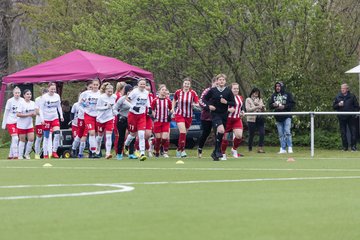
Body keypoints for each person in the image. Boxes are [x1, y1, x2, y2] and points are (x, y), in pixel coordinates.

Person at [203, 74, 236, 161]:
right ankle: (218, 150)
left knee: (221, 133)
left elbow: (233, 103)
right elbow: (204, 99)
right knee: (221, 130)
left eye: (223, 80)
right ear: (217, 81)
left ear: (225, 81)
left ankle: (215, 152)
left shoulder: (228, 91)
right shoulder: (213, 90)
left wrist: (226, 102)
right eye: (220, 80)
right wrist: (209, 106)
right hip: (215, 114)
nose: (221, 81)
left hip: (224, 114)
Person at [172, 77, 199, 158]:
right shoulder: (178, 92)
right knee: (183, 132)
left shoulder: (193, 93)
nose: (186, 85)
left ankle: (182, 149)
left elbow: (197, 102)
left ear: (190, 85)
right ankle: (179, 150)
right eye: (185, 83)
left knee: (185, 133)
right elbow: (174, 100)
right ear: (183, 84)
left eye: (188, 84)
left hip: (189, 115)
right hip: (179, 114)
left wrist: (195, 105)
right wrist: (173, 109)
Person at [123, 78, 150, 161]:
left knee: (141, 134)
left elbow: (146, 100)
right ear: (138, 84)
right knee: (133, 134)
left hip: (141, 115)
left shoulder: (146, 92)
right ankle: (126, 145)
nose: (142, 85)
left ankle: (142, 153)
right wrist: (133, 107)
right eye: (141, 84)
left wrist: (149, 107)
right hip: (133, 115)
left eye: (144, 84)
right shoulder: (134, 92)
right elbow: (125, 101)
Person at [269, 81, 295, 154]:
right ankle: (283, 148)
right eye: (276, 86)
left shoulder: (288, 94)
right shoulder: (273, 95)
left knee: (287, 131)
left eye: (279, 86)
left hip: (287, 116)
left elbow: (292, 104)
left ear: (282, 87)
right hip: (278, 117)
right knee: (281, 134)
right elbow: (270, 105)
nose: (277, 87)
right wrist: (273, 105)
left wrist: (284, 106)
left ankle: (289, 147)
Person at [220, 83, 245, 160]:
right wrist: (228, 110)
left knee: (239, 136)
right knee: (225, 139)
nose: (236, 90)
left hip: (237, 119)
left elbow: (241, 107)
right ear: (231, 89)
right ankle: (223, 154)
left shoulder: (240, 97)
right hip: (227, 120)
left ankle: (234, 149)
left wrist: (242, 111)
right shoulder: (226, 98)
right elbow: (220, 109)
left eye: (237, 88)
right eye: (234, 88)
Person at [39, 83, 64, 158]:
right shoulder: (44, 97)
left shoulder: (57, 96)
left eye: (54, 89)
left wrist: (61, 116)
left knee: (57, 134)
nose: (53, 90)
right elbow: (41, 109)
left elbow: (59, 106)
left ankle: (54, 151)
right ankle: (45, 153)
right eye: (51, 89)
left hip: (54, 117)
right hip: (46, 118)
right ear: (48, 88)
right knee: (46, 136)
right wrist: (42, 119)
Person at [333, 83, 359, 151]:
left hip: (351, 117)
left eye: (343, 88)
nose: (342, 90)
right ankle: (345, 147)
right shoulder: (338, 96)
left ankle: (353, 147)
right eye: (341, 88)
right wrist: (338, 104)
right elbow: (334, 107)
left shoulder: (352, 96)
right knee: (343, 133)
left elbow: (357, 106)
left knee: (353, 132)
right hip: (342, 118)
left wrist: (354, 114)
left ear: (347, 89)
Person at [78, 79, 101, 158]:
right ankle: (93, 151)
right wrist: (84, 110)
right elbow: (80, 104)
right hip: (89, 115)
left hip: (98, 116)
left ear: (99, 85)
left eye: (96, 85)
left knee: (98, 134)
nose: (95, 86)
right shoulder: (86, 94)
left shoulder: (101, 94)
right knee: (92, 133)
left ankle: (97, 150)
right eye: (94, 85)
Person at [113, 84, 136, 160]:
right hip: (122, 119)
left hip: (132, 118)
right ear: (126, 91)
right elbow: (114, 109)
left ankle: (131, 153)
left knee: (132, 135)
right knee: (121, 137)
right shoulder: (122, 99)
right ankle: (119, 153)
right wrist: (119, 115)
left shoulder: (135, 99)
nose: (130, 92)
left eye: (131, 91)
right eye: (129, 91)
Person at [197, 77, 218, 158]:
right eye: (216, 84)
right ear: (212, 83)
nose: (217, 86)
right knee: (206, 133)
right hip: (206, 116)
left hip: (216, 116)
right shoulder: (207, 91)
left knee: (218, 133)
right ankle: (200, 149)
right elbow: (201, 101)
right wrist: (208, 107)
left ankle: (217, 151)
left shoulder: (221, 92)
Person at [96, 82, 116, 159]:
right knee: (100, 136)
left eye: (111, 91)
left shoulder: (114, 97)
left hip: (109, 118)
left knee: (108, 136)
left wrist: (114, 112)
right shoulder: (101, 97)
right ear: (105, 91)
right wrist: (105, 107)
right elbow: (97, 108)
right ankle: (98, 148)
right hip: (101, 119)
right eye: (109, 91)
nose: (110, 93)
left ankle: (108, 153)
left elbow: (114, 106)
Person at [2, 87, 23, 159]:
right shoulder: (10, 101)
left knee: (14, 139)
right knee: (16, 138)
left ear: (20, 93)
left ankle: (10, 155)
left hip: (19, 122)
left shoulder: (22, 100)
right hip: (10, 121)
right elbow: (6, 112)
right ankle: (15, 155)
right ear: (13, 93)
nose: (17, 94)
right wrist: (4, 124)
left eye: (18, 93)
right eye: (16, 93)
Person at [151, 84, 172, 158]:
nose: (164, 91)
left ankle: (160, 150)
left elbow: (171, 109)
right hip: (158, 121)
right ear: (159, 91)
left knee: (164, 138)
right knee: (158, 138)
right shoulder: (155, 100)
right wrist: (154, 118)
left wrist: (170, 114)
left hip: (165, 121)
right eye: (162, 90)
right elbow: (152, 110)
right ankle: (156, 151)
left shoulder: (168, 100)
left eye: (165, 90)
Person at [16, 89, 36, 159]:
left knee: (31, 139)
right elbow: (18, 114)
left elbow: (35, 112)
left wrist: (34, 114)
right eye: (27, 94)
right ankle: (20, 155)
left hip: (29, 125)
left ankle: (27, 154)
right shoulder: (21, 103)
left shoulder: (33, 103)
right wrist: (28, 114)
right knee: (22, 140)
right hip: (21, 125)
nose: (29, 95)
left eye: (30, 94)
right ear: (24, 95)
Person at [245, 87, 266, 153]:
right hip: (251, 119)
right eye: (255, 92)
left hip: (260, 118)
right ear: (252, 92)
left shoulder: (260, 99)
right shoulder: (248, 99)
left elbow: (264, 109)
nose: (256, 94)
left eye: (257, 92)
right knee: (252, 134)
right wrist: (256, 106)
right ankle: (250, 148)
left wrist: (261, 107)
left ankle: (260, 148)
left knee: (262, 133)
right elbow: (248, 109)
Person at [34, 88, 49, 159]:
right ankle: (37, 154)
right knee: (39, 137)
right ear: (42, 93)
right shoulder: (38, 100)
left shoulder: (49, 99)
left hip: (48, 121)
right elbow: (36, 112)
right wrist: (44, 113)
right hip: (39, 121)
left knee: (47, 137)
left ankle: (46, 153)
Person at [113, 82, 126, 155]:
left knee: (123, 135)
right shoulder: (117, 95)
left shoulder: (123, 95)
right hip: (117, 117)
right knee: (118, 135)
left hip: (123, 116)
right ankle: (117, 151)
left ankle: (122, 150)